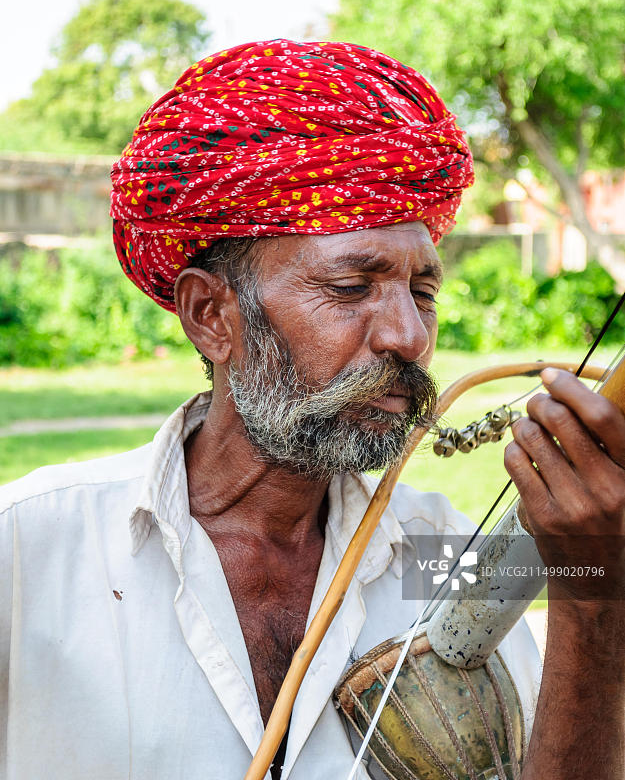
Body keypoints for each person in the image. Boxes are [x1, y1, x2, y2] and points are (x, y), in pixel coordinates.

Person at [1, 40, 624, 780]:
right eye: (351, 288)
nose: (409, 336)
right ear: (210, 316)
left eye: (423, 292)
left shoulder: (443, 556)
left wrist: (594, 601)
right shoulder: (30, 549)